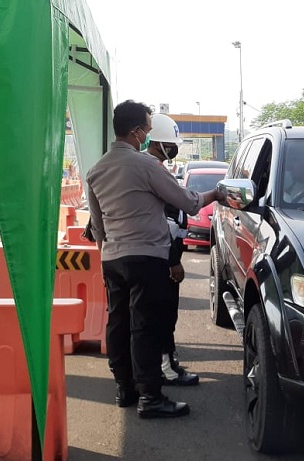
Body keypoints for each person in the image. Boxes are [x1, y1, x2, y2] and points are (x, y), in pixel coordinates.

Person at [86, 100, 222, 419]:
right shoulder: (146, 166)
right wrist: (215, 195)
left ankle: (125, 389)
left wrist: (106, 258)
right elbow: (188, 202)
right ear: (136, 131)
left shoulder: (96, 170)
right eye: (147, 128)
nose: (148, 134)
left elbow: (97, 226)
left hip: (112, 259)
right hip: (146, 258)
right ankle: (150, 397)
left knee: (118, 324)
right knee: (144, 327)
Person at [146, 113, 200, 387]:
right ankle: (166, 369)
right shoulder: (154, 171)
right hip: (162, 259)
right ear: (157, 143)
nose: (173, 148)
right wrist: (173, 261)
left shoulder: (155, 169)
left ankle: (162, 365)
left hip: (156, 256)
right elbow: (167, 224)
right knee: (164, 316)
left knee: (159, 316)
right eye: (170, 144)